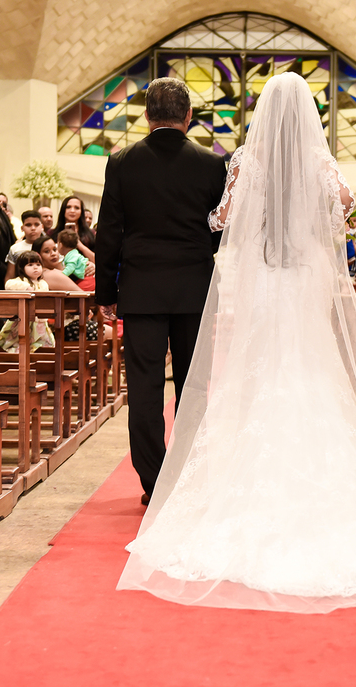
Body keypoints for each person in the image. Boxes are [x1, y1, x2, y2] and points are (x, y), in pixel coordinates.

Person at [117, 70, 356, 613]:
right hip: (303, 283)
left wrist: (245, 218)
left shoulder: (245, 160)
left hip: (264, 283)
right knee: (311, 372)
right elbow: (346, 211)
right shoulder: (320, 162)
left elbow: (222, 219)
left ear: (265, 111)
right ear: (307, 115)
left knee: (258, 374)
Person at [95, 77, 228, 505]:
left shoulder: (122, 161)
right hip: (194, 290)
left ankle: (154, 484)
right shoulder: (211, 164)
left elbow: (109, 232)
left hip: (141, 290)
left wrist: (105, 293)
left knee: (145, 389)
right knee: (193, 388)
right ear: (189, 116)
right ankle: (188, 478)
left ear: (147, 116)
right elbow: (219, 232)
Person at [0, 250, 56, 353]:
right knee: (14, 341)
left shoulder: (43, 283)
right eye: (30, 264)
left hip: (39, 320)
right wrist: (26, 287)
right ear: (22, 268)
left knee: (44, 342)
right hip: (21, 319)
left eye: (38, 264)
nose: (35, 267)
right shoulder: (20, 281)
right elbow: (8, 285)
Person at [5, 210, 46, 280]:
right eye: (28, 225)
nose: (33, 228)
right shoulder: (15, 249)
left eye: (36, 224)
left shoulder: (50, 246)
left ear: (42, 227)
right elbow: (10, 276)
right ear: (22, 228)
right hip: (23, 287)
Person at [57, 195, 96, 261]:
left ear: (81, 212)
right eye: (68, 207)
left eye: (77, 208)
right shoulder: (53, 233)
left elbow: (97, 260)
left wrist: (78, 244)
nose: (72, 211)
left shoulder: (91, 234)